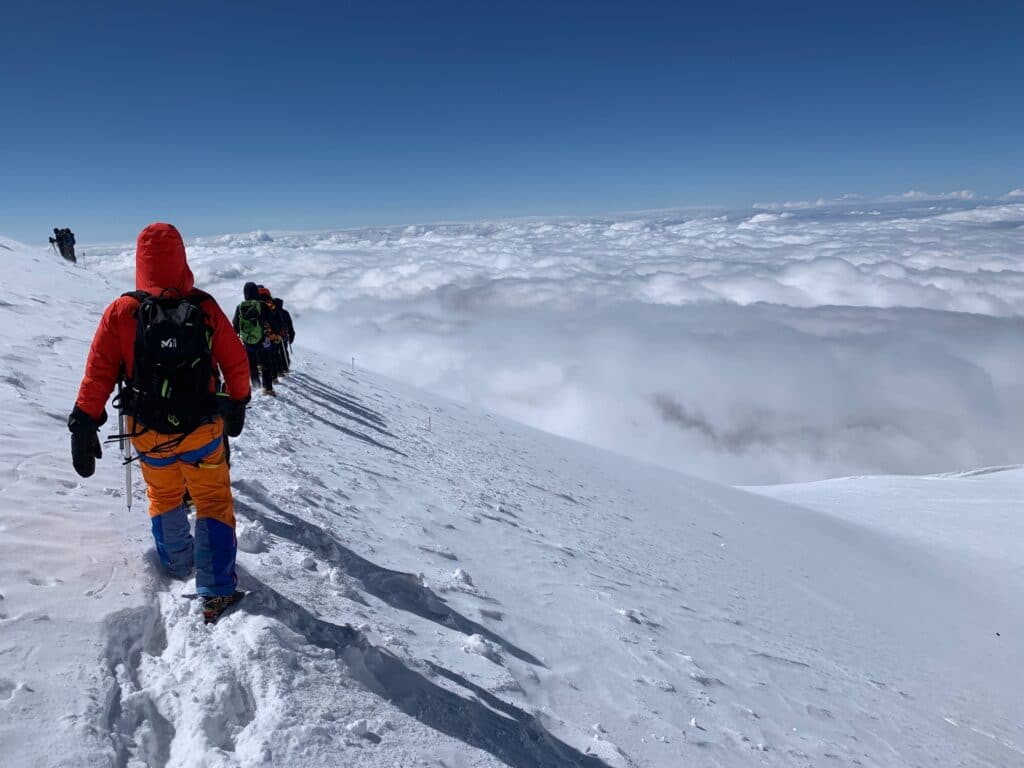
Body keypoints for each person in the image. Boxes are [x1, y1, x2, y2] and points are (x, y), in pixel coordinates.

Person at [67, 223, 251, 623]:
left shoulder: (122, 311)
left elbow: (98, 372)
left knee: (165, 496)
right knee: (213, 500)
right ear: (181, 258)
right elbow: (236, 360)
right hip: (203, 429)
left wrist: (83, 422)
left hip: (148, 433)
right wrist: (238, 402)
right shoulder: (204, 308)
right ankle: (217, 588)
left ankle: (177, 562)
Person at [232, 282, 276, 396]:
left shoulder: (240, 307)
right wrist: (275, 332)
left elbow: (235, 325)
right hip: (263, 340)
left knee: (251, 364)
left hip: (248, 341)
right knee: (266, 364)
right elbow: (273, 322)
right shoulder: (262, 306)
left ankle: (256, 384)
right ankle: (267, 388)